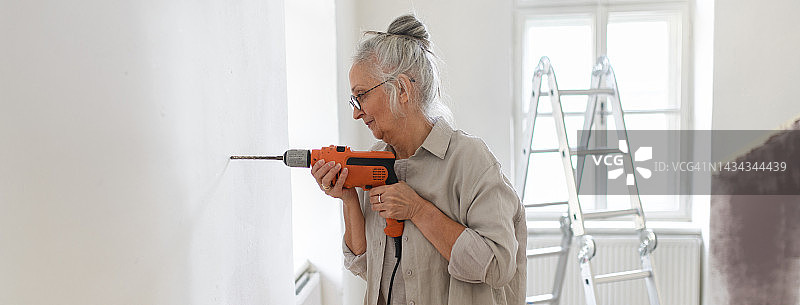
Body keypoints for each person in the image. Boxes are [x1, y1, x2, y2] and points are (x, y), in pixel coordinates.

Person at [311, 14, 527, 305]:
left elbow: (498, 266)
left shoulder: (469, 161)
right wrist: (349, 199)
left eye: (360, 96)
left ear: (401, 89)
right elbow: (366, 267)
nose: (356, 112)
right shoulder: (377, 160)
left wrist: (417, 209)